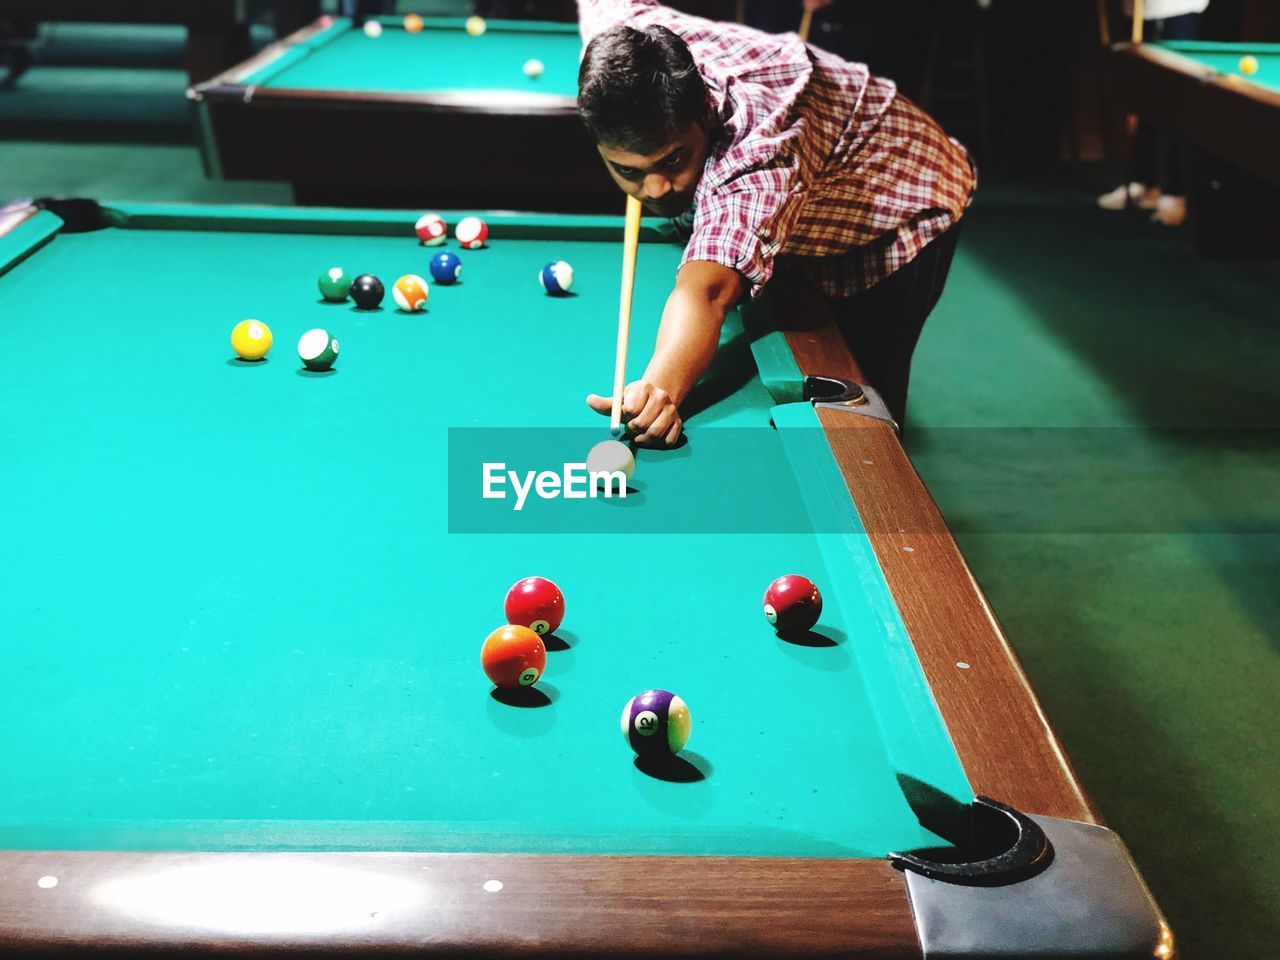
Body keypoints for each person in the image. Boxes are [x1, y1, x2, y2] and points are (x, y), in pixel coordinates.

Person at [577, 0, 975, 445]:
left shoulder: (755, 156)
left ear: (705, 114)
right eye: (628, 170)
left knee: (865, 399)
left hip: (905, 196)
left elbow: (707, 292)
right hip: (818, 164)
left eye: (673, 159)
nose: (655, 189)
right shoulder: (618, 35)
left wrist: (659, 387)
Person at [1098, 0, 1210, 226]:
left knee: (1176, 93)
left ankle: (1176, 190)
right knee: (1144, 91)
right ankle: (1144, 181)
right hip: (1137, 9)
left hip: (1176, 7)